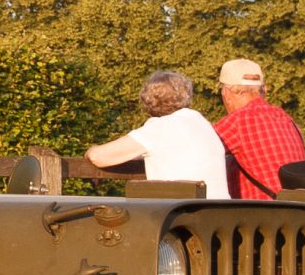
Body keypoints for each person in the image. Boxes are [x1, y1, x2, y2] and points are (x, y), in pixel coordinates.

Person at [86, 70, 231, 194]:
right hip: (217, 217)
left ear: (147, 100)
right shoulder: (199, 121)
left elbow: (97, 157)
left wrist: (89, 151)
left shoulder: (160, 127)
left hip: (185, 217)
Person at [212, 58, 305, 200]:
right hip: (298, 211)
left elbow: (197, 151)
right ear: (264, 89)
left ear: (226, 93)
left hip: (262, 215)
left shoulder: (238, 121)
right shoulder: (286, 118)